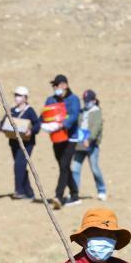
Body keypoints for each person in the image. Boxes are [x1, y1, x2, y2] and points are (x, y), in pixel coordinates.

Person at [43, 75, 82, 208]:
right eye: (53, 86)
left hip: (70, 138)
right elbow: (44, 114)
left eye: (57, 85)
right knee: (63, 166)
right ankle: (75, 195)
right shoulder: (51, 99)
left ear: (65, 85)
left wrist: (62, 124)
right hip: (56, 138)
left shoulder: (74, 99)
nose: (55, 88)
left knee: (64, 165)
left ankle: (58, 196)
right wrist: (44, 124)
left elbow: (74, 115)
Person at [1, 86, 41, 200]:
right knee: (21, 166)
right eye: (16, 95)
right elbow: (2, 123)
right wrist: (5, 128)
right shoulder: (12, 111)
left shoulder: (30, 111)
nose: (17, 97)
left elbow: (37, 125)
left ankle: (19, 190)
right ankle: (29, 192)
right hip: (14, 143)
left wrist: (31, 131)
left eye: (19, 95)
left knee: (19, 164)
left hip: (27, 144)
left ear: (25, 98)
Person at [70, 90, 107, 201]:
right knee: (75, 169)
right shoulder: (81, 112)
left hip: (92, 146)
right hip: (80, 145)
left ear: (94, 100)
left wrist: (89, 139)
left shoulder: (97, 112)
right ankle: (74, 192)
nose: (86, 103)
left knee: (95, 169)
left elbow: (96, 128)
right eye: (85, 101)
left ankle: (101, 190)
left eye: (89, 101)